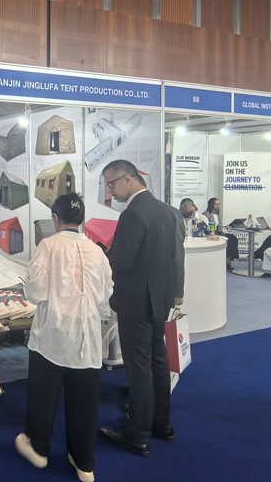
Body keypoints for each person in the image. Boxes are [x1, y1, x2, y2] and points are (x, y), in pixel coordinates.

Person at [15, 193, 113, 482]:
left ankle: (38, 449)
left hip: (52, 334)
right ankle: (84, 464)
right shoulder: (96, 250)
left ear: (55, 219)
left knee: (43, 397)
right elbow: (106, 291)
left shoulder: (48, 245)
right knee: (85, 402)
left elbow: (36, 292)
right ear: (81, 219)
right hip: (87, 335)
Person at [98, 160, 183, 458]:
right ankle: (162, 424)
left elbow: (121, 262)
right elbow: (175, 255)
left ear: (130, 179)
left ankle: (138, 434)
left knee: (138, 367)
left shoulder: (132, 214)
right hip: (160, 299)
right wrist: (176, 293)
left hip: (136, 301)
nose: (110, 190)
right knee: (158, 362)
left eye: (112, 184)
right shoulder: (167, 211)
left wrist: (103, 254)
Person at [202, 198, 239, 269]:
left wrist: (221, 232)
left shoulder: (218, 214)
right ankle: (227, 261)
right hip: (210, 234)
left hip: (218, 233)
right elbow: (206, 227)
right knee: (228, 240)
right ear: (211, 205)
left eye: (219, 204)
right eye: (216, 204)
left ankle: (229, 259)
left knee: (232, 238)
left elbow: (218, 226)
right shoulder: (206, 214)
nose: (218, 206)